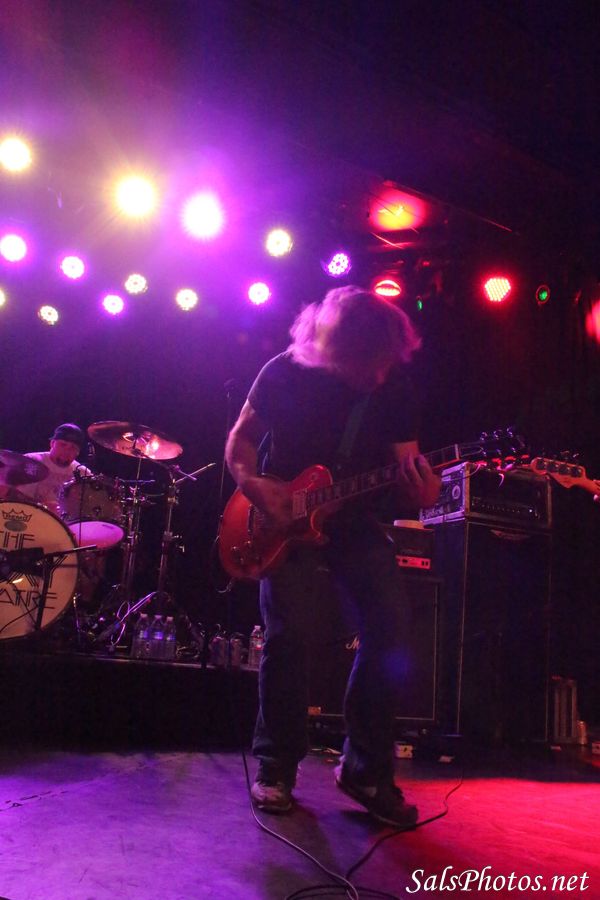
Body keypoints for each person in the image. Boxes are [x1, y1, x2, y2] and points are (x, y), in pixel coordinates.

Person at [225, 285, 441, 827]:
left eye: (388, 361)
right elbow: (240, 442)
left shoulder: (395, 386)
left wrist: (423, 490)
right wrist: (253, 485)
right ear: (336, 352)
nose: (381, 375)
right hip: (281, 515)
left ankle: (364, 769)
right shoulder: (285, 372)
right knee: (289, 633)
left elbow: (410, 466)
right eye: (371, 363)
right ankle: (276, 765)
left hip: (352, 517)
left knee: (391, 626)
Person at [15, 423, 91, 514]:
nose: (67, 451)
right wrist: (42, 506)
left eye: (73, 448)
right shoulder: (32, 461)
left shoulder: (83, 473)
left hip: (64, 521)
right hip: (31, 515)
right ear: (52, 443)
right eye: (63, 445)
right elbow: (18, 497)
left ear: (78, 452)